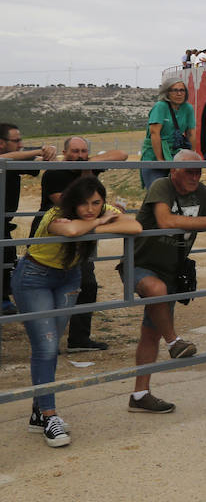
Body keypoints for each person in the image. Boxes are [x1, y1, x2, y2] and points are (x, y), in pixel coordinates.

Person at [15, 176, 142, 446]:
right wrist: (98, 223)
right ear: (72, 201)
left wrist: (96, 224)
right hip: (34, 277)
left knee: (50, 346)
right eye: (83, 204)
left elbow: (135, 226)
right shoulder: (55, 215)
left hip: (69, 278)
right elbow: (71, 231)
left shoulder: (103, 211)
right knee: (46, 347)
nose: (90, 209)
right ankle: (50, 416)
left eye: (96, 203)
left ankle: (40, 414)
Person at [125, 151, 206, 412]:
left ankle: (140, 395)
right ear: (174, 170)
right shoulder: (161, 185)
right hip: (141, 264)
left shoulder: (200, 192)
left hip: (171, 269)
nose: (195, 177)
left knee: (150, 331)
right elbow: (166, 220)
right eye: (189, 171)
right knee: (157, 291)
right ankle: (174, 342)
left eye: (199, 172)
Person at [36, 137, 129, 352]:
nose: (79, 155)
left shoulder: (89, 169)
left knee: (87, 285)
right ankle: (48, 342)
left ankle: (79, 339)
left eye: (83, 151)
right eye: (75, 151)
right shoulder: (56, 172)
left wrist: (87, 165)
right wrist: (102, 209)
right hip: (54, 238)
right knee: (54, 288)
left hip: (82, 238)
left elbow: (121, 154)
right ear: (64, 152)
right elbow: (67, 203)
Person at [2, 126, 57, 313]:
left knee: (7, 259)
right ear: (1, 143)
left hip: (3, 224)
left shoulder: (16, 160)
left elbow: (38, 162)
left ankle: (4, 300)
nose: (21, 145)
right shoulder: (5, 159)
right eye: (16, 141)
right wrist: (39, 149)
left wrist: (49, 153)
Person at [139, 77, 195, 189]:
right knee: (157, 190)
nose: (179, 93)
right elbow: (155, 133)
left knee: (180, 189)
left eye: (182, 90)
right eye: (175, 90)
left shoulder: (188, 108)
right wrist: (160, 160)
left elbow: (191, 134)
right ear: (167, 93)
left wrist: (192, 157)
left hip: (176, 154)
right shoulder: (160, 106)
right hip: (154, 154)